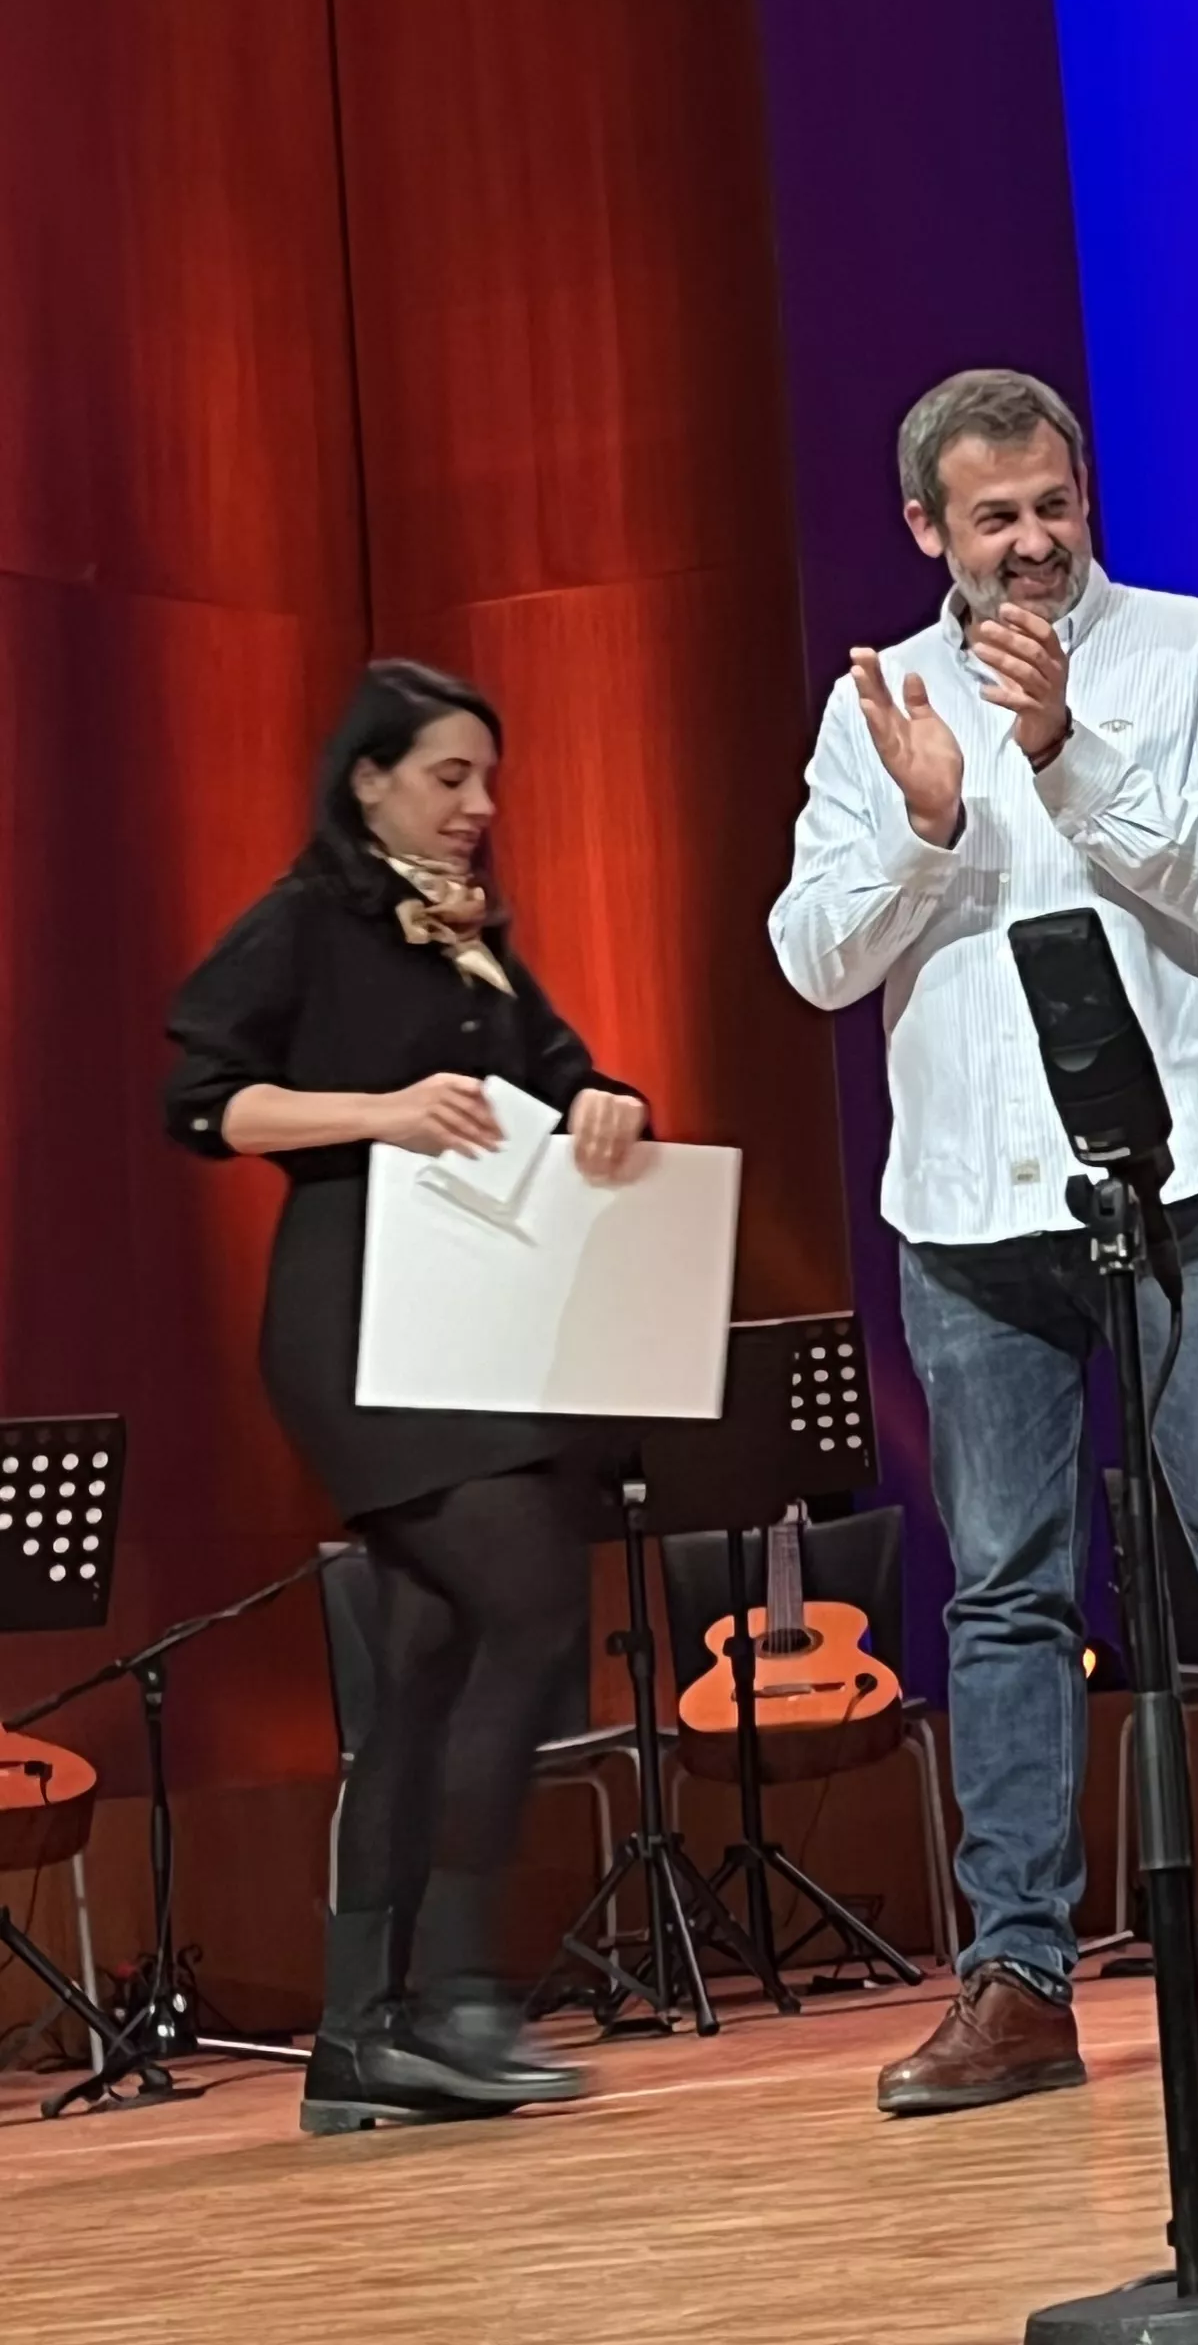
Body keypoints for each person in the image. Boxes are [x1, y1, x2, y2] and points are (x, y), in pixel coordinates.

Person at [769, 368, 1198, 2110]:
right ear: (929, 530)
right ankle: (1018, 1975)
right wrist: (920, 819)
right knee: (1000, 1594)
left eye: (1054, 503)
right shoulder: (877, 700)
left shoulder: (1197, 648)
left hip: (1192, 1174)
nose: (1036, 540)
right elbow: (815, 957)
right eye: (996, 517)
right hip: (974, 1213)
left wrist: (1060, 745)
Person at [165, 662, 643, 2133]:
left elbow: (567, 1083)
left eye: (487, 780)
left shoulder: (474, 949)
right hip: (358, 1326)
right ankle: (455, 2000)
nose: (478, 808)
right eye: (448, 777)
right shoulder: (306, 919)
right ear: (367, 780)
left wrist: (610, 1106)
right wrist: (378, 1114)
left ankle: (361, 2037)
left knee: (432, 1663)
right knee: (532, 1609)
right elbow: (202, 1099)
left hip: (476, 1331)